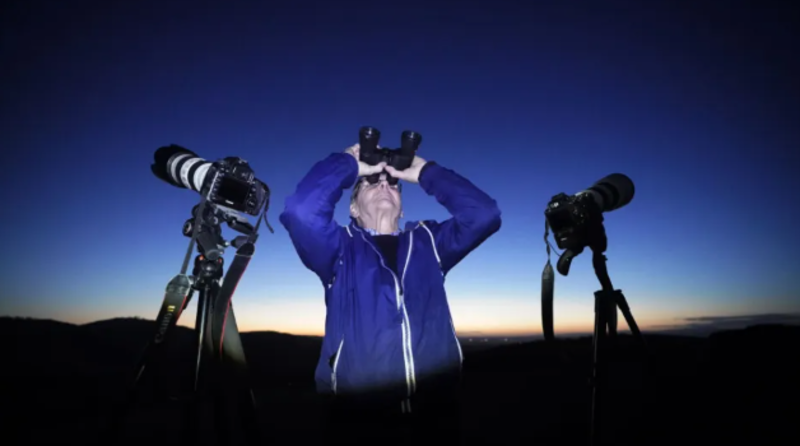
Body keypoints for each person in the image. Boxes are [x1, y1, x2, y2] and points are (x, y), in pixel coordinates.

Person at [279, 141, 502, 443]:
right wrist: (347, 163)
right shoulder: (338, 249)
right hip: (359, 420)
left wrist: (425, 172)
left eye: (393, 184)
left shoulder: (430, 243)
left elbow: (485, 214)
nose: (384, 184)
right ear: (353, 208)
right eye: (371, 181)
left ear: (402, 207)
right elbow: (301, 212)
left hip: (437, 414)